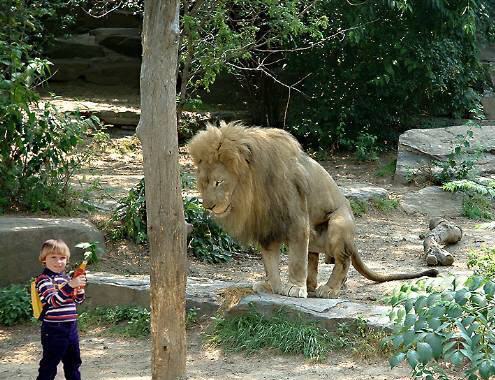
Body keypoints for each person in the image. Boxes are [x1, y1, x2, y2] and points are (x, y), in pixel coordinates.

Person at [35, 239, 87, 380]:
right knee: (49, 365)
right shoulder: (43, 279)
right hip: (54, 329)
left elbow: (77, 301)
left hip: (71, 327)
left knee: (73, 363)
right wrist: (70, 285)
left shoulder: (66, 278)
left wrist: (79, 291)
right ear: (43, 259)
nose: (58, 262)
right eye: (53, 257)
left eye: (62, 258)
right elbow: (53, 301)